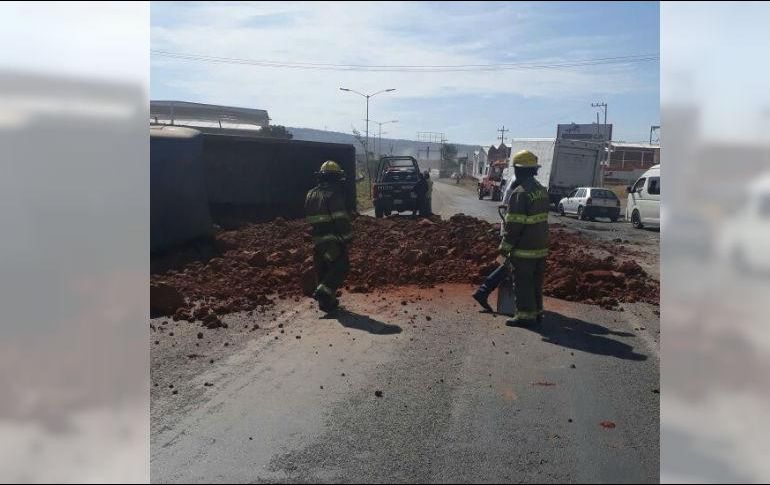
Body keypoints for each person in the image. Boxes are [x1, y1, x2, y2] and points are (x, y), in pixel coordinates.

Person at [499, 150, 550, 326]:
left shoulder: (520, 193)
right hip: (541, 246)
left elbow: (514, 225)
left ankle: (524, 316)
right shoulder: (541, 190)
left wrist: (504, 247)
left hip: (525, 248)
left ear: (520, 170)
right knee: (536, 281)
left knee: (522, 282)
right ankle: (537, 313)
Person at [304, 160, 353, 313]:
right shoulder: (334, 194)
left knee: (323, 269)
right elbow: (340, 218)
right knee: (341, 266)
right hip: (333, 239)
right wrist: (348, 236)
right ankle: (323, 293)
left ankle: (326, 304)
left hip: (317, 240)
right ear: (336, 177)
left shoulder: (311, 193)